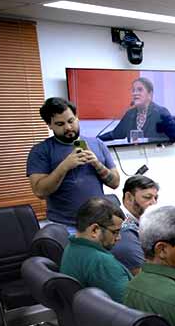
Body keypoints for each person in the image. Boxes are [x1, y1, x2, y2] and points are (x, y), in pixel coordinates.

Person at [27, 97, 120, 230]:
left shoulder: (97, 144)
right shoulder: (41, 151)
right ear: (49, 125)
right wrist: (65, 166)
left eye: (71, 121)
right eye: (60, 124)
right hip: (64, 226)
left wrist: (97, 164)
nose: (68, 127)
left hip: (100, 223)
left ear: (77, 117)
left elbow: (115, 183)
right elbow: (40, 191)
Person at [60, 197, 131, 303]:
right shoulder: (102, 263)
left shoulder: (71, 248)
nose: (118, 237)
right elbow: (131, 307)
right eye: (115, 232)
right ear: (94, 230)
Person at [98, 77, 175, 142]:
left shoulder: (161, 113)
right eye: (133, 90)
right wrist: (96, 140)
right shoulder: (130, 114)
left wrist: (146, 140)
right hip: (132, 154)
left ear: (150, 94)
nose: (135, 93)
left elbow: (173, 138)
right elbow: (115, 134)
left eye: (140, 90)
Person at [112, 175, 159, 275]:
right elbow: (143, 275)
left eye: (156, 198)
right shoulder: (123, 229)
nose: (154, 203)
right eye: (147, 197)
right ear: (129, 197)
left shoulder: (141, 222)